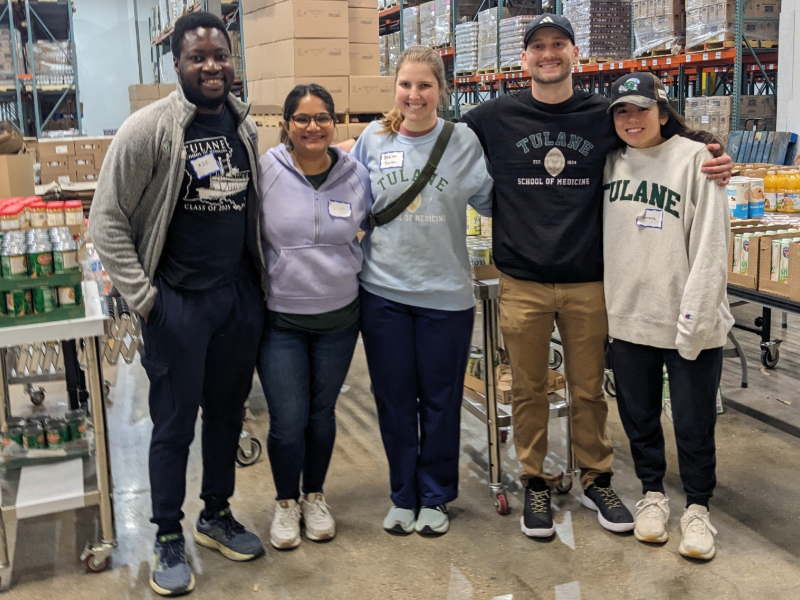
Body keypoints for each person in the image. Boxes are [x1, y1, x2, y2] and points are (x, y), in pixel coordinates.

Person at [459, 14, 733, 539]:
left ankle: (596, 478)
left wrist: (718, 154)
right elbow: (437, 141)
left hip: (590, 281)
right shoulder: (491, 116)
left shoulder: (600, 115)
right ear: (523, 58)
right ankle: (535, 482)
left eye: (558, 44)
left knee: (589, 389)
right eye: (537, 46)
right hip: (522, 281)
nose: (548, 54)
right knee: (528, 390)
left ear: (574, 54)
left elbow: (660, 141)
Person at [89, 12, 266, 596]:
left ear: (232, 59)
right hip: (177, 305)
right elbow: (106, 219)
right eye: (199, 58)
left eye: (220, 55)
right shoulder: (149, 130)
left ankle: (216, 513)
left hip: (236, 300)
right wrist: (145, 300)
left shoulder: (245, 126)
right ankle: (167, 531)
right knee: (172, 426)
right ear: (178, 65)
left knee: (225, 414)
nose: (212, 66)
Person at [350, 46, 493, 536]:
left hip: (446, 296)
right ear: (395, 89)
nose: (414, 95)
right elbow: (342, 195)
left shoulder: (464, 141)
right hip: (384, 292)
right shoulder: (372, 138)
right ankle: (402, 494)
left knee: (440, 399)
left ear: (441, 90)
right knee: (393, 398)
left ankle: (435, 496)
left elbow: (496, 199)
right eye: (406, 85)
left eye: (425, 85)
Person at [603, 73, 733, 560]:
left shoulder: (698, 160)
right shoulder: (609, 164)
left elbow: (712, 245)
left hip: (688, 317)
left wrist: (695, 318)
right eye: (621, 111)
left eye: (640, 109)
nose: (631, 120)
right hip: (629, 317)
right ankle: (652, 495)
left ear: (662, 111)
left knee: (694, 420)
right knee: (638, 416)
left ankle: (698, 508)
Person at [256, 84, 371, 550]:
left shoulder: (356, 175)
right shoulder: (266, 170)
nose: (312, 127)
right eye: (302, 118)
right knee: (288, 418)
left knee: (321, 415)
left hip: (339, 318)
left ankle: (315, 495)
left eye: (322, 117)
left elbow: (381, 224)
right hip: (280, 317)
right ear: (286, 124)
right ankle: (286, 503)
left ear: (334, 122)